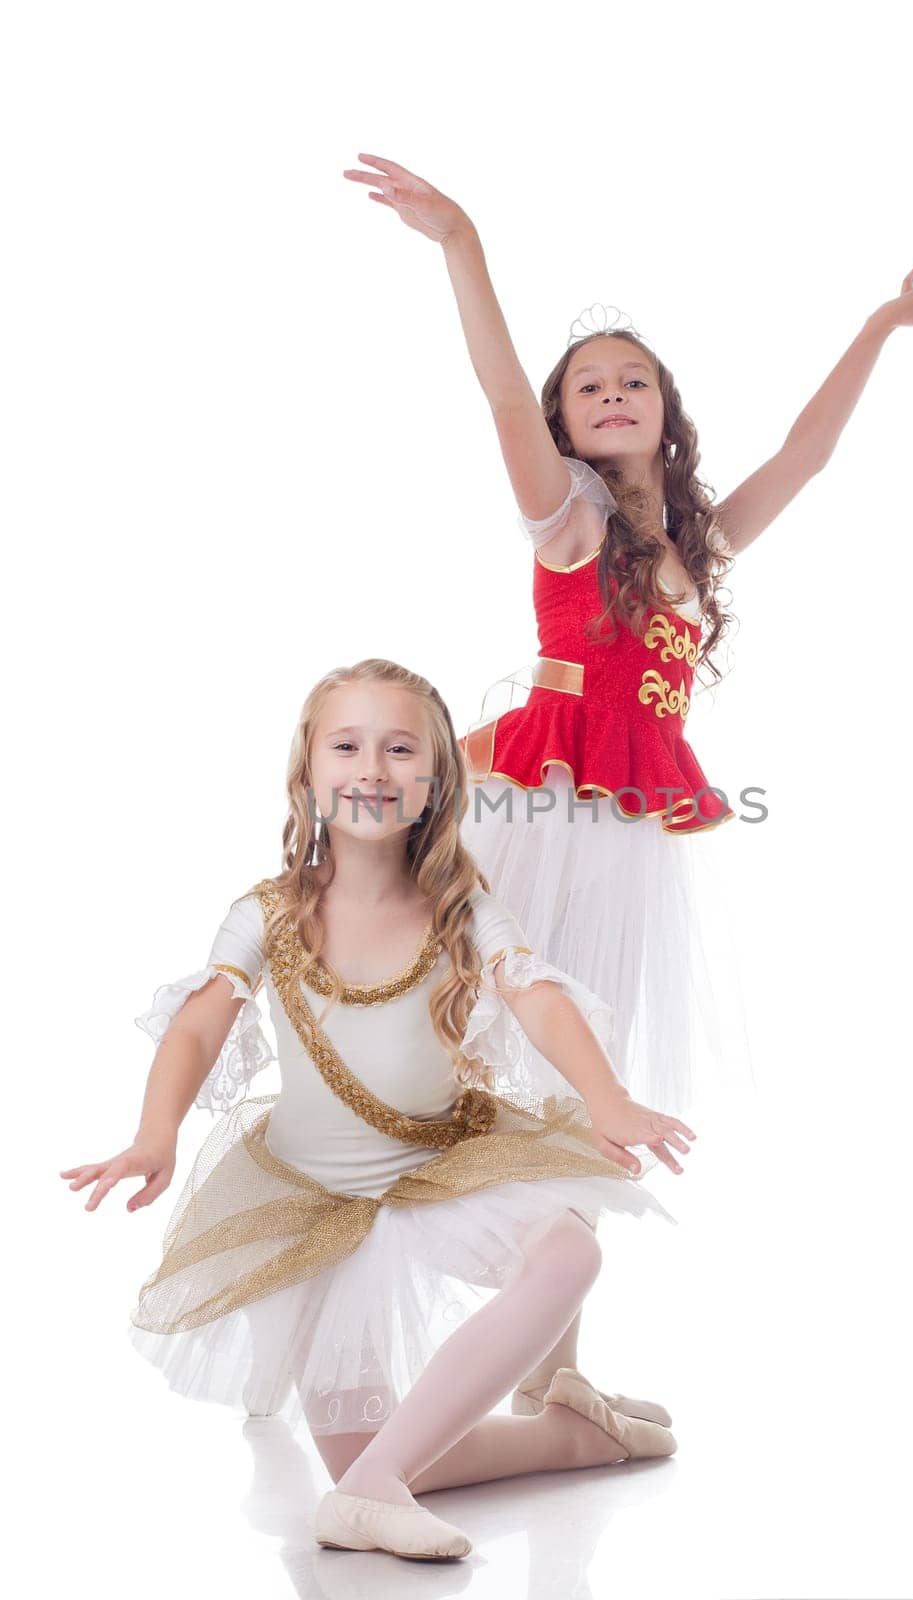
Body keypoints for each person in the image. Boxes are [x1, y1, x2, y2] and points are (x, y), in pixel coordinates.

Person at [342, 151, 913, 1416]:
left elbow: (805, 452)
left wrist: (875, 328)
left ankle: (552, 1369)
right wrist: (461, 240)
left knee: (592, 1073)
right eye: (591, 384)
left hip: (629, 837)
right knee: (458, 1044)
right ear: (570, 422)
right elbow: (500, 400)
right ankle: (332, 1284)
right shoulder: (563, 515)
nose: (611, 393)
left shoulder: (692, 545)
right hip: (537, 814)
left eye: (634, 380)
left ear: (663, 413)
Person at [60, 658, 695, 1564]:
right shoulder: (268, 912)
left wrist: (608, 1098)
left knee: (568, 1250)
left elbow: (537, 995)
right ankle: (574, 1436)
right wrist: (154, 1133)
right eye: (347, 745)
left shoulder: (460, 906)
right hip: (316, 1211)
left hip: (434, 1174)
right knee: (395, 1459)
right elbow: (201, 1025)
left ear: (435, 783)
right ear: (307, 776)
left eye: (400, 749)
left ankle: (363, 1498)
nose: (373, 768)